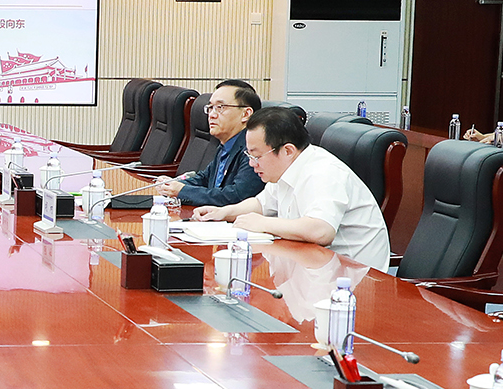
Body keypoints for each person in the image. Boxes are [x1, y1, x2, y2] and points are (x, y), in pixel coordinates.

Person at [191, 105, 391, 269]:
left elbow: (321, 230)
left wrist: (263, 223)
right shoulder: (286, 168)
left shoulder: (323, 172)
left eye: (257, 156)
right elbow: (261, 204)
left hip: (353, 279)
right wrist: (224, 212)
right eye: (249, 156)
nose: (252, 164)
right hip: (313, 265)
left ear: (287, 150)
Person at [150, 79, 266, 209]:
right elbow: (205, 178)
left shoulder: (253, 150)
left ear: (246, 114)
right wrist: (173, 184)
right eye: (210, 108)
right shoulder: (226, 144)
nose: (212, 115)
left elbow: (236, 197)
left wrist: (182, 191)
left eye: (220, 107)